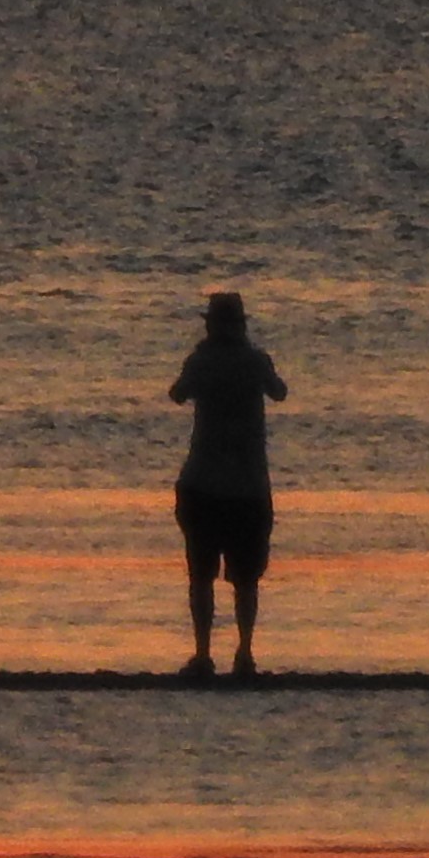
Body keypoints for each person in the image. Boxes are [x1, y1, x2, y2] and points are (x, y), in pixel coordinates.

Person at [166, 290, 287, 680]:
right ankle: (245, 654)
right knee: (246, 578)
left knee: (201, 574)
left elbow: (177, 394)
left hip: (203, 480)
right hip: (249, 484)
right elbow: (279, 391)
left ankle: (203, 654)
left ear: (211, 325)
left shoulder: (202, 360)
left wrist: (203, 358)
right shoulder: (255, 361)